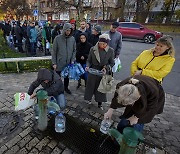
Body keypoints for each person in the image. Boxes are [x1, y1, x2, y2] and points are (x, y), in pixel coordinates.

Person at [84, 34, 114, 110]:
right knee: (90, 86)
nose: (102, 45)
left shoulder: (110, 51)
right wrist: (87, 66)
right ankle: (89, 99)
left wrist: (106, 68)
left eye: (104, 44)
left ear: (107, 43)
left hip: (103, 71)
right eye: (101, 44)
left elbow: (112, 63)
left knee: (101, 88)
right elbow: (89, 60)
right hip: (93, 70)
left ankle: (99, 103)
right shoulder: (92, 49)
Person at [52, 23, 76, 95]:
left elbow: (74, 50)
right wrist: (54, 63)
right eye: (67, 30)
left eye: (70, 30)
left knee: (67, 77)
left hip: (68, 62)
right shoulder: (57, 38)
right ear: (64, 30)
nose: (68, 32)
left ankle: (66, 87)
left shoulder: (72, 39)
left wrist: (72, 60)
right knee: (58, 78)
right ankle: (58, 89)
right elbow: (54, 51)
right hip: (59, 62)